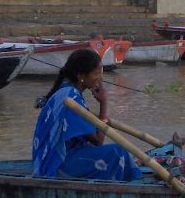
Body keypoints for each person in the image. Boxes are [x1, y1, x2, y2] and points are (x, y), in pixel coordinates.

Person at [32, 49, 142, 182]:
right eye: (96, 73)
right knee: (118, 152)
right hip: (59, 164)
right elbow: (98, 140)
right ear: (81, 76)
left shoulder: (65, 91)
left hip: (56, 159)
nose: (100, 78)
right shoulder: (71, 98)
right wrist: (103, 103)